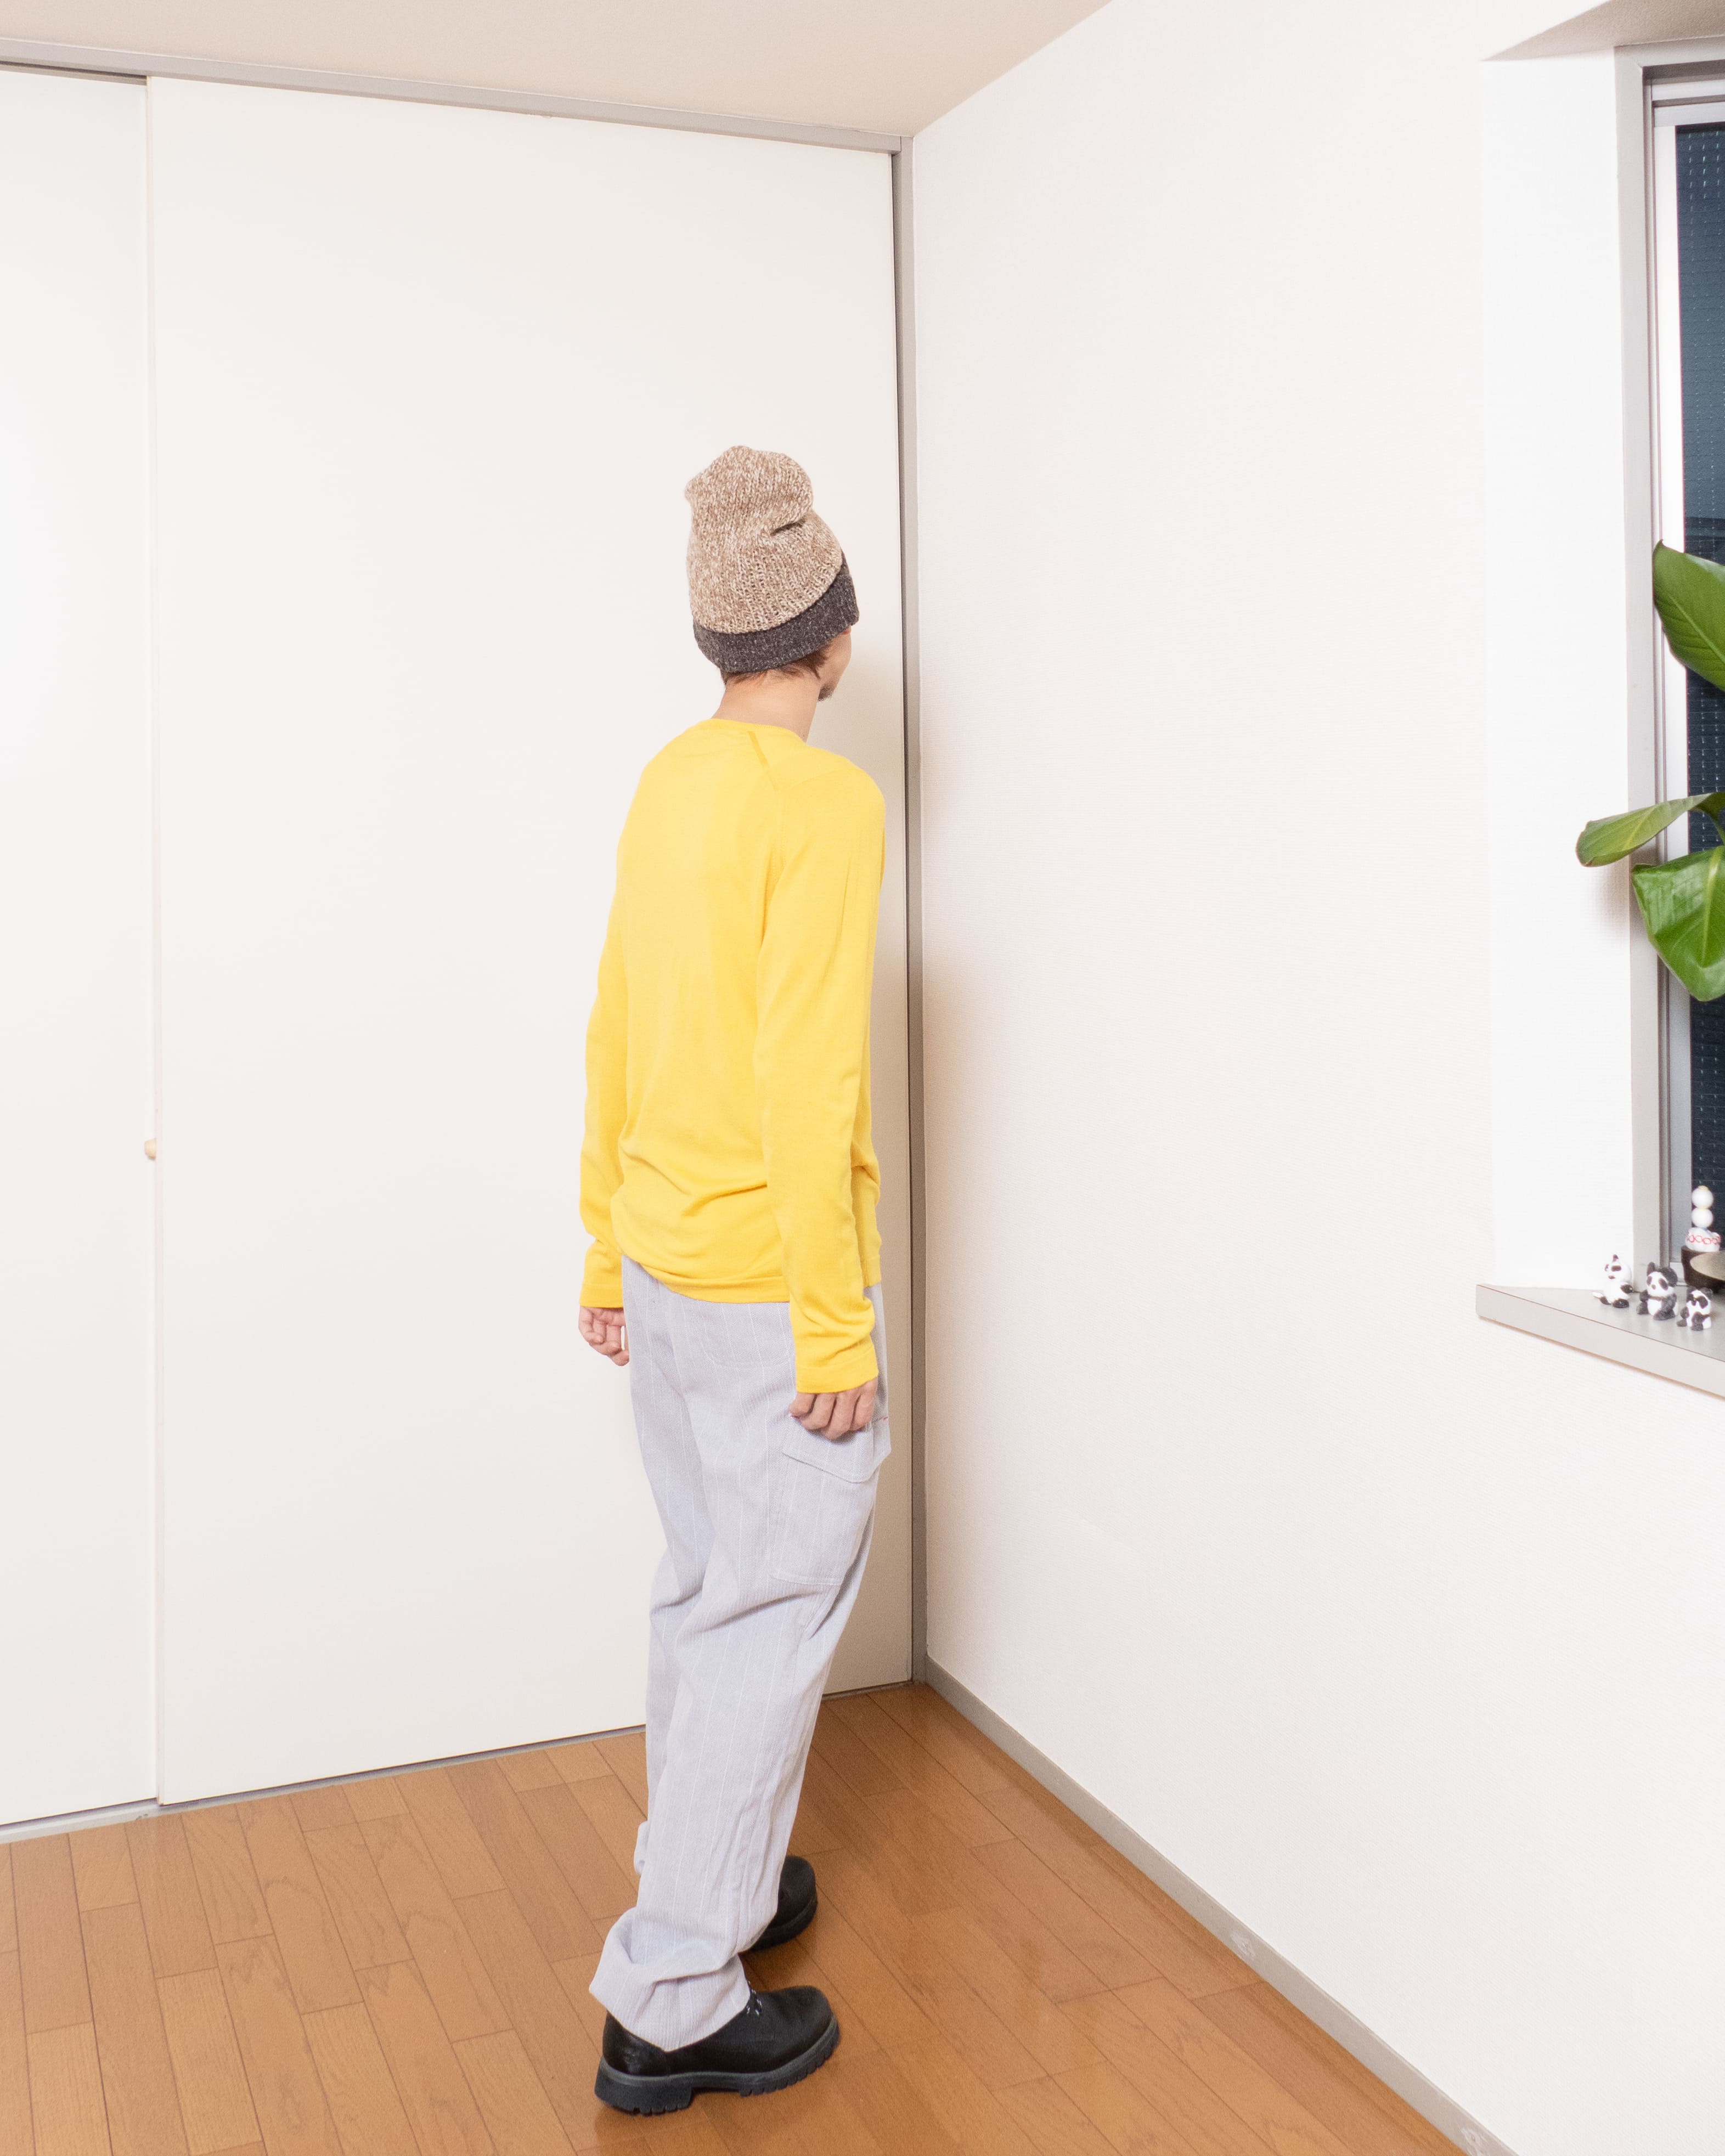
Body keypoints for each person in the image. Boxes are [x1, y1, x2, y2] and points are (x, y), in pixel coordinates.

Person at [577, 445, 889, 2115]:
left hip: (667, 1264)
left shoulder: (669, 780)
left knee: (707, 1592)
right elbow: (808, 1077)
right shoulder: (827, 806)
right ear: (829, 634)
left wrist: (600, 1240)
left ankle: (720, 1882)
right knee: (764, 1624)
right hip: (773, 1288)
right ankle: (674, 1997)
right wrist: (835, 1325)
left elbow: (616, 1024)